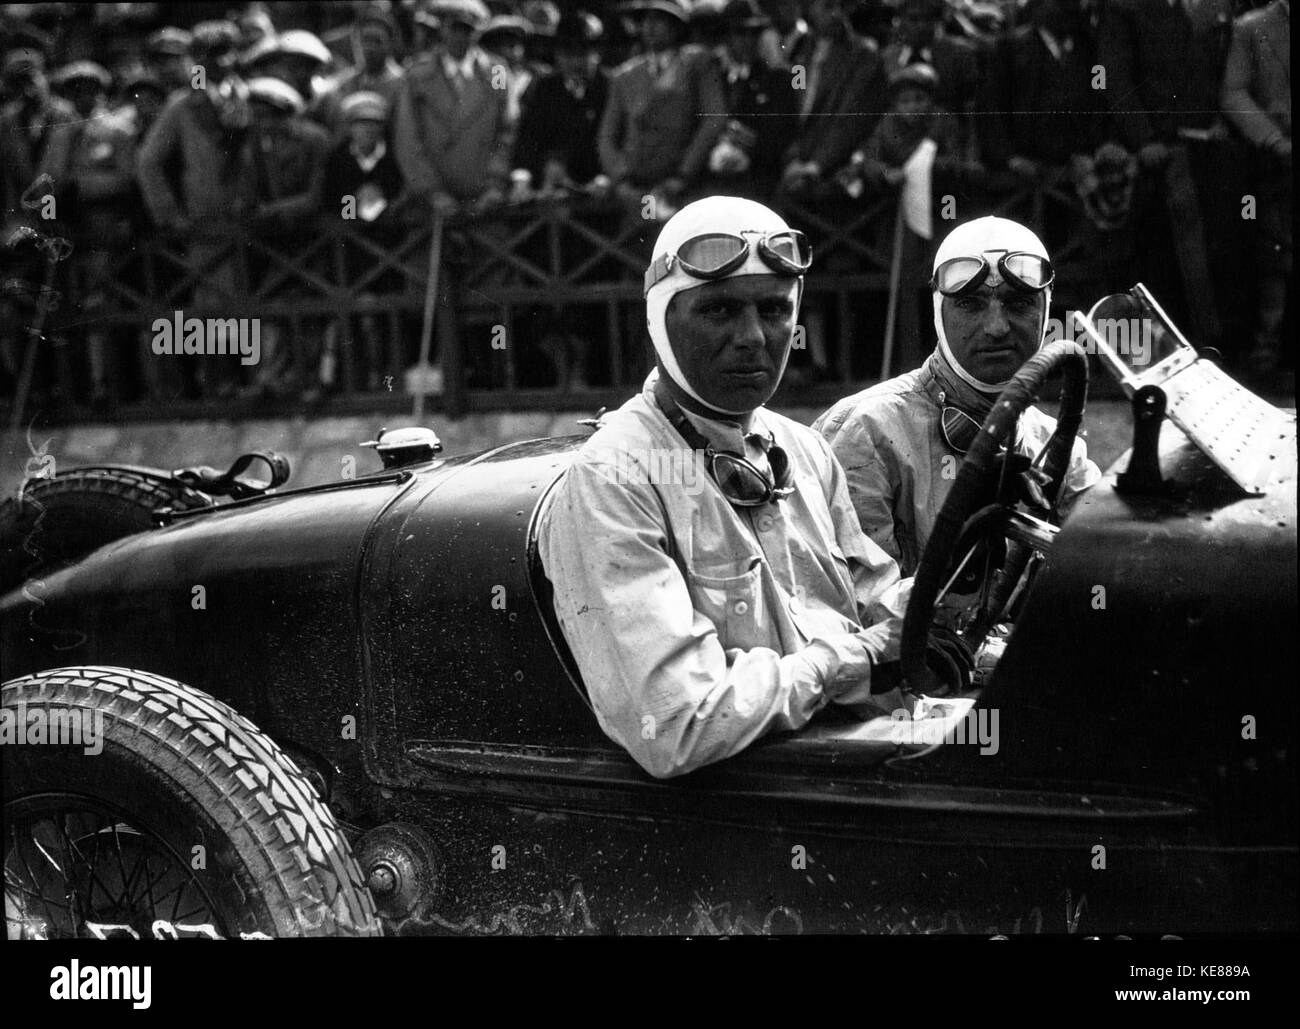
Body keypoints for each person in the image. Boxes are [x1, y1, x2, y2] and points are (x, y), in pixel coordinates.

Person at [537, 195, 929, 779]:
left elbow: (875, 600)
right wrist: (857, 661)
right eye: (719, 311)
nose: (752, 336)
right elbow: (675, 723)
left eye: (774, 310)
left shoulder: (805, 450)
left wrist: (941, 611)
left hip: (852, 770)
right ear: (661, 318)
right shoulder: (613, 478)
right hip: (737, 816)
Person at [814, 216, 1100, 589]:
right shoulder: (867, 430)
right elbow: (853, 604)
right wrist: (959, 571)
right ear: (938, 311)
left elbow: (1108, 564)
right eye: (970, 304)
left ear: (1045, 312)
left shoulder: (1057, 447)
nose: (997, 327)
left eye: (1018, 304)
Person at [597, 0, 727, 216]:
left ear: (677, 26)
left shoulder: (699, 64)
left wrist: (684, 175)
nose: (651, 26)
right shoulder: (625, 75)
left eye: (660, 19)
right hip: (636, 188)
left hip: (686, 186)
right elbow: (606, 137)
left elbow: (714, 119)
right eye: (646, 19)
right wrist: (620, 181)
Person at [1220, 0, 1291, 378]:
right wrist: (1274, 140)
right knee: (1274, 259)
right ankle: (1267, 347)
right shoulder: (1252, 27)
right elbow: (1233, 93)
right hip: (1276, 162)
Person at [392, 0, 512, 215]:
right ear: (442, 28)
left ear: (477, 32)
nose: (459, 36)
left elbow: (508, 131)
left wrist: (495, 184)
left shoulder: (497, 73)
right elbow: (407, 139)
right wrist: (431, 191)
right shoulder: (417, 75)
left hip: (485, 198)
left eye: (467, 29)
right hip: (431, 203)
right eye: (453, 28)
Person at [778, 0, 886, 197]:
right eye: (828, 6)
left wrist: (816, 165)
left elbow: (849, 120)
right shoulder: (802, 50)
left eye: (840, 6)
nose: (836, 14)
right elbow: (797, 107)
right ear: (809, 8)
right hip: (796, 160)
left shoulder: (862, 55)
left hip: (835, 168)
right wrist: (792, 157)